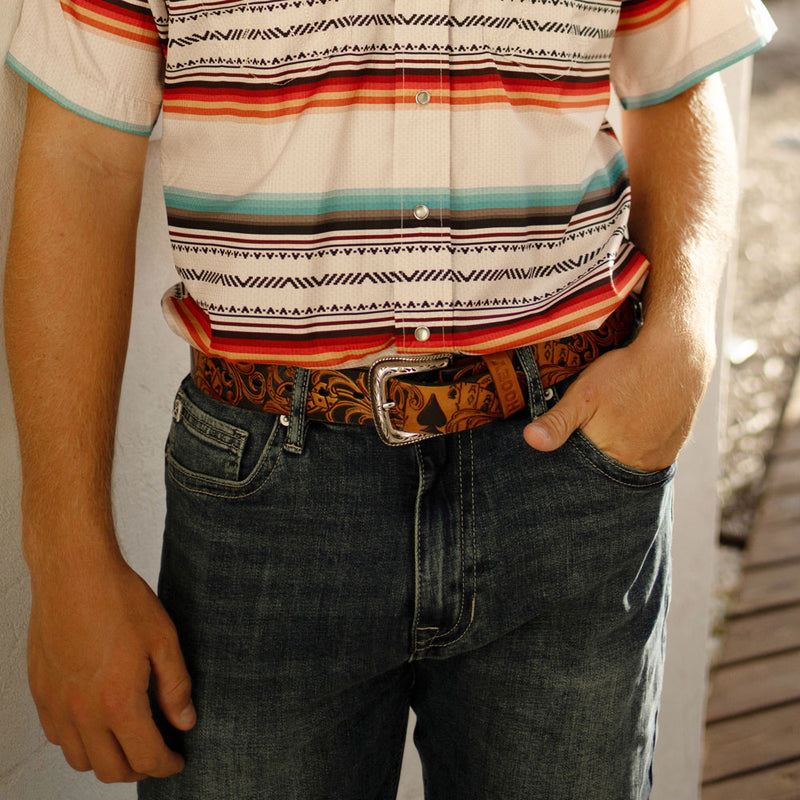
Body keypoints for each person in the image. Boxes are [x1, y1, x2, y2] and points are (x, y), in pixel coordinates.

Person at [4, 0, 775, 797]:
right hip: (267, 503)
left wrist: (680, 343)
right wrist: (67, 555)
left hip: (569, 473)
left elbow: (680, 78)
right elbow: (80, 156)